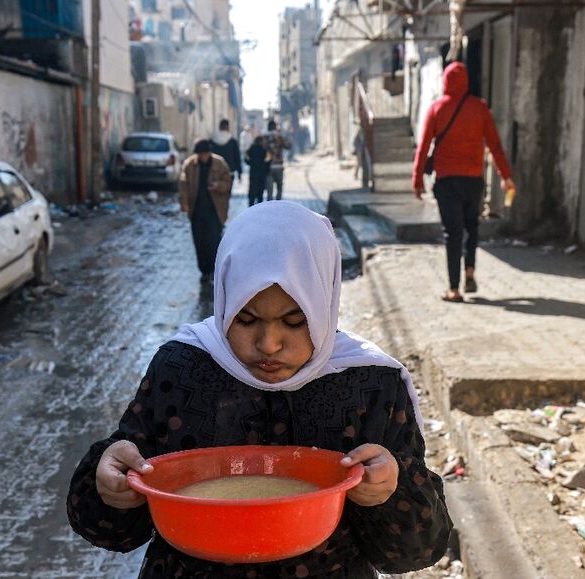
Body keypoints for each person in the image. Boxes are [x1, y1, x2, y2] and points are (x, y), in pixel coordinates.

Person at [67, 201, 453, 578]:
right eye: (246, 318)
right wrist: (111, 485)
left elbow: (418, 549)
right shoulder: (181, 369)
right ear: (223, 302)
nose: (269, 343)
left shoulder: (369, 383)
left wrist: (391, 490)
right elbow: (116, 525)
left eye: (294, 321)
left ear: (324, 303)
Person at [412, 61, 514, 303]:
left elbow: (424, 147)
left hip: (446, 182)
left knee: (453, 233)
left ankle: (454, 289)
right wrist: (506, 176)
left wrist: (417, 179)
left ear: (445, 81)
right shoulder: (480, 109)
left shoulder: (437, 109)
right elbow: (495, 145)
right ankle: (470, 271)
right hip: (473, 181)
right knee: (472, 227)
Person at [177, 139, 233, 282]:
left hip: (215, 210)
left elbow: (227, 182)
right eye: (201, 154)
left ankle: (215, 268)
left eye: (205, 153)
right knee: (199, 241)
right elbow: (183, 185)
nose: (203, 157)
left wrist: (218, 185)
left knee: (214, 240)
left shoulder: (219, 164)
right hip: (197, 210)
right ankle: (204, 270)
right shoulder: (189, 165)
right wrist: (184, 203)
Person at [264, 120, 292, 201]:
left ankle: (270, 210)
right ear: (275, 127)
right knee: (279, 189)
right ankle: (278, 208)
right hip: (279, 166)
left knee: (269, 192)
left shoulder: (264, 138)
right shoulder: (279, 137)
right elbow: (288, 146)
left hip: (268, 168)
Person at [210, 119, 242, 183]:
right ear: (228, 127)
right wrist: (239, 172)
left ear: (219, 127)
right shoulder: (232, 142)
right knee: (227, 191)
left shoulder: (211, 141)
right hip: (229, 171)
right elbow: (237, 157)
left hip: (215, 171)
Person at [245, 135, 271, 206]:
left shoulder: (250, 150)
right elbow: (268, 161)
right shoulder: (265, 151)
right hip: (262, 174)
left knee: (252, 191)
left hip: (253, 173)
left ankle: (251, 206)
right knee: (260, 192)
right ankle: (259, 207)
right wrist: (266, 171)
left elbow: (247, 160)